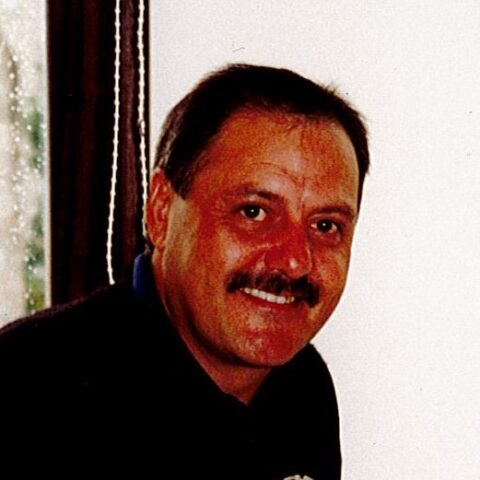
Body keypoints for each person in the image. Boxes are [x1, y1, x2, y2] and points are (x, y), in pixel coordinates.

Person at [0, 64, 369, 479]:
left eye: (325, 226)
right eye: (254, 212)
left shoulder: (302, 388)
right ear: (161, 213)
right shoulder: (27, 393)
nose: (296, 260)